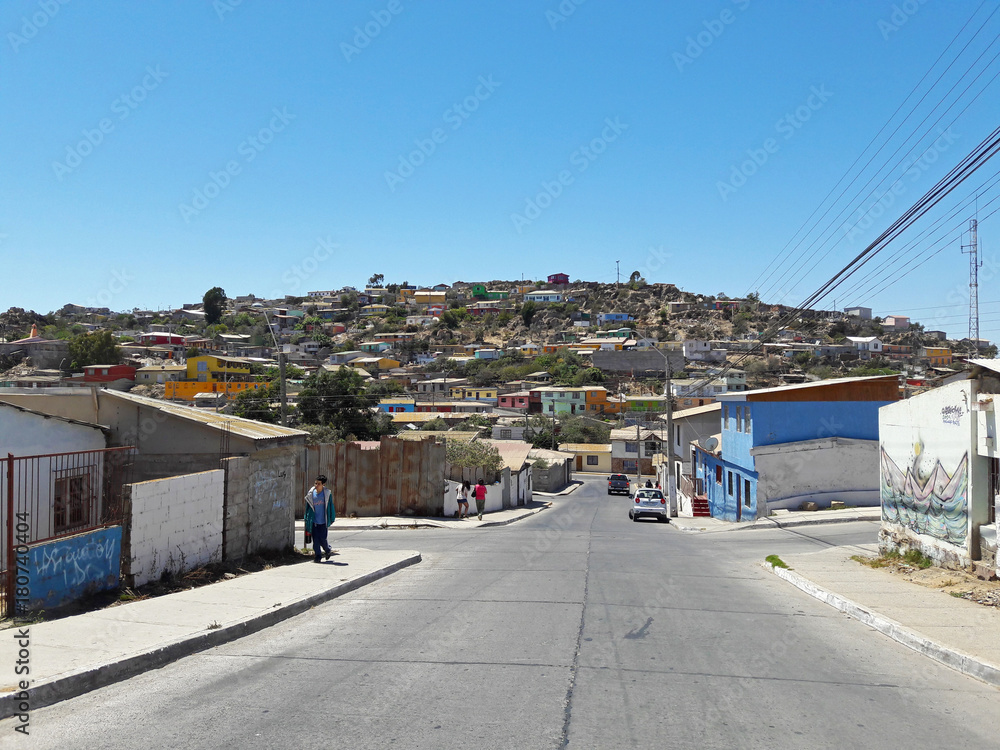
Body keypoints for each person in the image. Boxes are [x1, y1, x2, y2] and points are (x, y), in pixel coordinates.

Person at [304, 475, 335, 562]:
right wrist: (306, 518)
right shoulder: (311, 494)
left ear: (323, 484)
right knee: (316, 541)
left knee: (323, 539)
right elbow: (308, 508)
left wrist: (332, 517)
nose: (316, 485)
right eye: (315, 483)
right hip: (314, 522)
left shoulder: (327, 494)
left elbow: (330, 506)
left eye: (318, 484)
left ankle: (327, 550)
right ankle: (318, 556)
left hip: (323, 522)